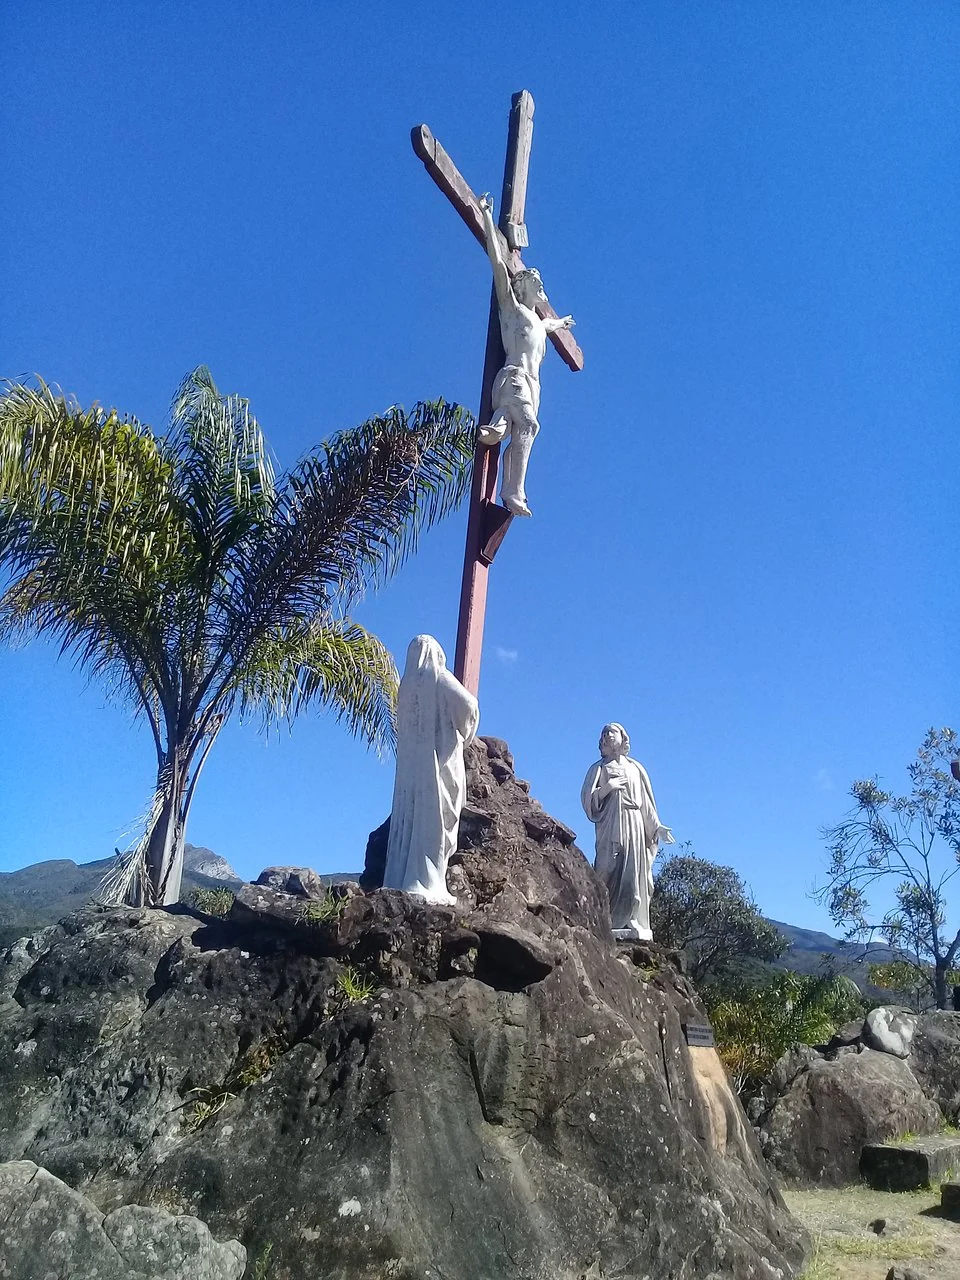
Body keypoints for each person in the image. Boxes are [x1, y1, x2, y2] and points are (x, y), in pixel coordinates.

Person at [476, 192, 575, 518]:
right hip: (514, 375)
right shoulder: (513, 309)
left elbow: (548, 325)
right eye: (537, 282)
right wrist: (487, 217)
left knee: (522, 429)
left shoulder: (536, 320)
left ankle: (500, 425)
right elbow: (496, 261)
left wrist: (561, 323)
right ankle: (513, 492)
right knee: (530, 427)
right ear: (523, 287)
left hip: (532, 385)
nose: (542, 286)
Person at [382, 635, 480, 904]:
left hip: (411, 777)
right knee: (433, 825)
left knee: (411, 823)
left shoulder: (405, 689)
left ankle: (403, 878)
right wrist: (466, 734)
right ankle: (429, 882)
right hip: (438, 770)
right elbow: (469, 706)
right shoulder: (437, 676)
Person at [580, 723, 674, 940]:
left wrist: (656, 826)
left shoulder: (635, 768)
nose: (604, 737)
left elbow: (645, 804)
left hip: (634, 822)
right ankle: (604, 918)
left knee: (633, 872)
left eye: (609, 732)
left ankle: (630, 918)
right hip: (611, 824)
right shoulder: (599, 769)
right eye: (602, 734)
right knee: (607, 868)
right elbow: (587, 800)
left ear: (623, 738)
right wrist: (607, 788)